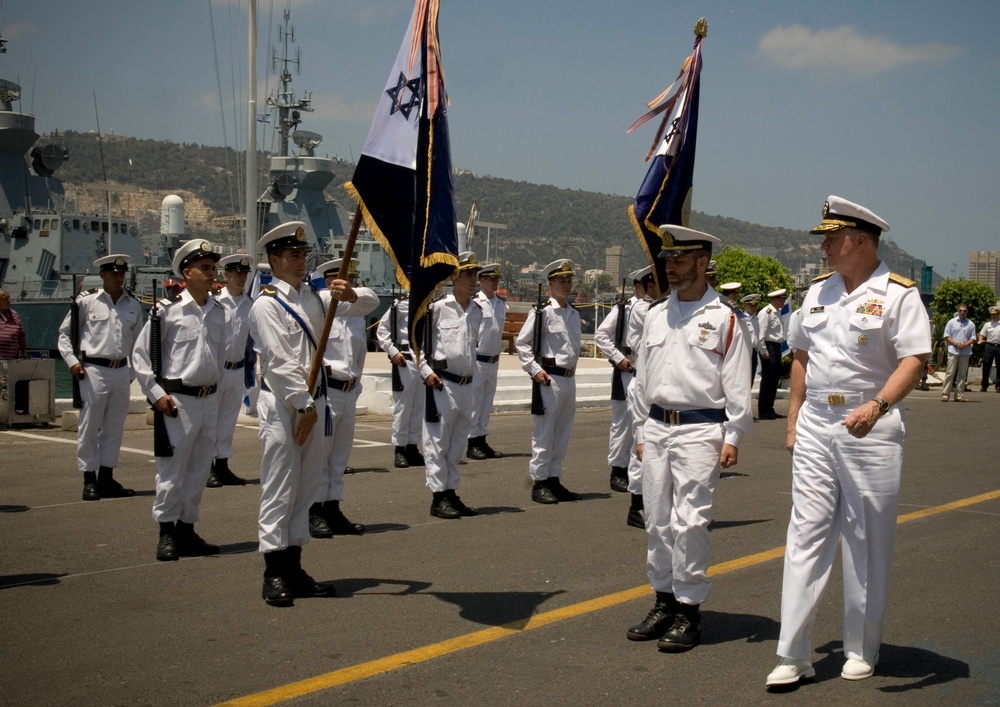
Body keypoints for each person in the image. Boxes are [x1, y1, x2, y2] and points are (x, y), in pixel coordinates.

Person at [766, 196, 930, 686]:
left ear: (861, 241)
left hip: (870, 425)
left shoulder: (898, 294)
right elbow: (801, 357)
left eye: (832, 239)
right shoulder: (817, 292)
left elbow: (915, 360)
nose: (824, 248)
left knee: (865, 540)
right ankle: (793, 653)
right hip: (818, 420)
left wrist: (878, 406)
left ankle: (861, 646)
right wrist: (794, 419)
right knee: (806, 533)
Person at [626, 225, 752, 653]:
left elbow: (737, 383)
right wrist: (642, 429)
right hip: (658, 428)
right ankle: (662, 601)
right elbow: (643, 379)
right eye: (668, 260)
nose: (671, 267)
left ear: (702, 262)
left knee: (691, 521)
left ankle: (689, 610)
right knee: (657, 519)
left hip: (701, 430)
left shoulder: (725, 318)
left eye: (679, 260)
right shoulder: (657, 314)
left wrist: (733, 435)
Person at [248, 221, 336, 606]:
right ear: (275, 259)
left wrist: (310, 405)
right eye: (294, 255)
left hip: (311, 404)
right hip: (285, 405)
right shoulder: (267, 304)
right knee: (280, 487)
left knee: (305, 489)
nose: (302, 261)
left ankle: (295, 566)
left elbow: (363, 303)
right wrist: (303, 405)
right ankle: (274, 571)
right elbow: (280, 361)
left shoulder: (311, 299)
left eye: (304, 255)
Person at [132, 239, 225, 562]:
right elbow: (141, 356)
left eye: (213, 267)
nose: (212, 272)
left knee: (199, 469)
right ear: (187, 272)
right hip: (178, 401)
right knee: (171, 470)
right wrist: (156, 395)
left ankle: (187, 528)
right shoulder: (166, 311)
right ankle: (167, 532)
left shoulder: (218, 311)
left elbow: (220, 357)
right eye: (205, 267)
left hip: (208, 399)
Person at [57, 255, 143, 501]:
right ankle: (89, 479)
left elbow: (139, 343)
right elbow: (65, 334)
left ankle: (106, 477)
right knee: (89, 426)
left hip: (121, 371)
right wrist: (72, 362)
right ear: (103, 275)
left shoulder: (133, 305)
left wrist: (132, 372)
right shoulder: (87, 302)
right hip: (94, 370)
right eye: (114, 273)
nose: (119, 277)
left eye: (122, 273)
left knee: (115, 427)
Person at [311, 257, 378, 537]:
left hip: (348, 392)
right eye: (340, 278)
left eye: (350, 277)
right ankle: (313, 510)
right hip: (327, 391)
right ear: (327, 280)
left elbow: (371, 299)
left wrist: (350, 294)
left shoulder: (355, 313)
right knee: (319, 456)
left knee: (339, 458)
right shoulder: (318, 305)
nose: (347, 282)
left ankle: (332, 507)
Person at [420, 252, 483, 519]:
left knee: (457, 444)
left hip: (467, 385)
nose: (473, 279)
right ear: (455, 277)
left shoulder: (477, 311)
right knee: (437, 442)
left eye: (475, 274)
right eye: (468, 274)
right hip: (442, 383)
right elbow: (419, 344)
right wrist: (425, 371)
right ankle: (438, 496)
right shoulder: (437, 308)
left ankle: (451, 491)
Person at [516, 259, 583, 505]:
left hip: (569, 378)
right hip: (549, 378)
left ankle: (554, 479)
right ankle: (539, 482)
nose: (566, 285)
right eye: (561, 281)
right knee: (544, 433)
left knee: (562, 433)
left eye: (569, 280)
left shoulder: (573, 314)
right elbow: (522, 343)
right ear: (550, 284)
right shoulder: (542, 312)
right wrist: (534, 370)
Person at [595, 267, 644, 493]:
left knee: (640, 424)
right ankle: (618, 469)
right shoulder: (624, 308)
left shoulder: (654, 309)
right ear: (639, 286)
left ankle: (637, 468)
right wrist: (617, 357)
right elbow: (601, 334)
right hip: (624, 369)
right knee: (622, 424)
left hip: (642, 370)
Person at [207, 254, 253, 488]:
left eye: (244, 274)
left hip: (237, 369)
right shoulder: (215, 303)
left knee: (227, 420)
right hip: (217, 369)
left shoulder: (250, 305)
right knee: (210, 420)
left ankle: (222, 465)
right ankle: (206, 467)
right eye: (237, 273)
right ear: (226, 275)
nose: (241, 278)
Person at [623, 266, 660, 528]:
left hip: (657, 383)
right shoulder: (643, 309)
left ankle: (653, 503)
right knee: (642, 443)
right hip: (643, 382)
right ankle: (637, 505)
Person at [376, 292, 425, 469]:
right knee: (403, 406)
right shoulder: (399, 305)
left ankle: (412, 446)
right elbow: (383, 329)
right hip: (404, 358)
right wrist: (392, 351)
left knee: (419, 406)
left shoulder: (430, 304)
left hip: (424, 360)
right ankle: (400, 448)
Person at [466, 262, 507, 460]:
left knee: (486, 403)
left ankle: (482, 439)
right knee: (475, 403)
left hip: (493, 360)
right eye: (491, 279)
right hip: (478, 359)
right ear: (481, 281)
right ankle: (472, 442)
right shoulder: (475, 302)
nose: (494, 282)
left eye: (496, 279)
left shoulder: (500, 303)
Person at [757, 288, 787, 420]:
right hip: (769, 347)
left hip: (776, 347)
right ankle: (763, 410)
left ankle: (770, 408)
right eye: (782, 299)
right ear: (776, 299)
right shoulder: (766, 312)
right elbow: (760, 334)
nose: (783, 301)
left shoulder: (777, 313)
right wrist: (764, 351)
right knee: (768, 380)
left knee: (774, 380)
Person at [940, 304, 977, 402]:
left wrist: (966, 344)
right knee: (950, 372)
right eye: (961, 310)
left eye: (964, 311)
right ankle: (945, 394)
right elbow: (946, 336)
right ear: (958, 311)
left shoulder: (970, 324)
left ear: (967, 312)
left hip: (965, 351)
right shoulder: (951, 322)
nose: (962, 312)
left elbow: (973, 337)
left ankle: (959, 395)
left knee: (962, 374)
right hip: (953, 350)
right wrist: (956, 344)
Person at [740, 293, 766, 390]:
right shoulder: (742, 319)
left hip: (754, 353)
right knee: (743, 380)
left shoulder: (756, 319)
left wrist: (763, 351)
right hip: (745, 352)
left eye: (755, 305)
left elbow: (758, 337)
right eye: (751, 305)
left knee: (750, 379)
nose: (754, 307)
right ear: (745, 305)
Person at [0, 288, 27, 359]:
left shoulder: (15, 315)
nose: (9, 301)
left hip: (12, 361)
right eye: (5, 298)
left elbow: (21, 335)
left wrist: (23, 351)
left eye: (9, 298)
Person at [978, 305, 1000, 392]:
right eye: (992, 314)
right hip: (989, 346)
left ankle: (999, 386)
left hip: (999, 347)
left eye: (995, 314)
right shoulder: (987, 325)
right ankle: (984, 385)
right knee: (986, 365)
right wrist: (980, 340)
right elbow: (982, 334)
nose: (993, 316)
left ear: (999, 314)